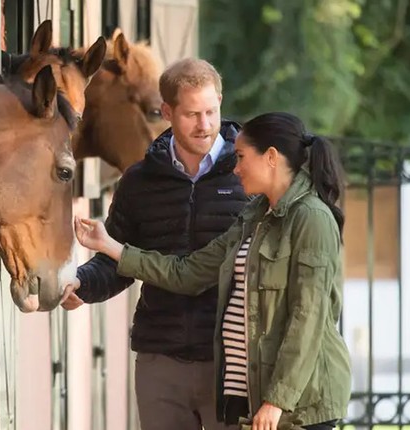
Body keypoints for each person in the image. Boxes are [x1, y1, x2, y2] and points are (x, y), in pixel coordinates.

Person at [72, 112, 352, 430]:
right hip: (248, 395)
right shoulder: (254, 216)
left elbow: (309, 317)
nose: (235, 168)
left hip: (298, 407)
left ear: (271, 157)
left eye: (242, 157)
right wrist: (110, 246)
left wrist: (277, 401)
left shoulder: (311, 218)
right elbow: (189, 272)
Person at [62, 58, 249, 429]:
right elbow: (116, 257)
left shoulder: (248, 174)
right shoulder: (139, 181)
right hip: (160, 360)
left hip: (232, 363)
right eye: (192, 114)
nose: (205, 125)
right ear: (167, 111)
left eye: (212, 111)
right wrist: (82, 283)